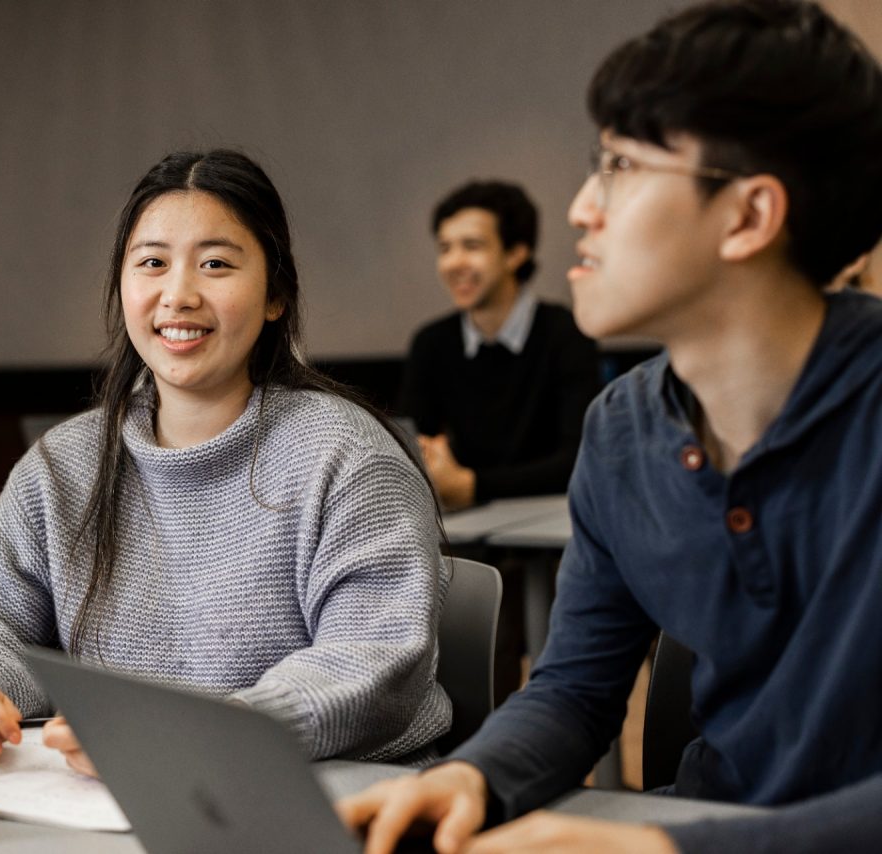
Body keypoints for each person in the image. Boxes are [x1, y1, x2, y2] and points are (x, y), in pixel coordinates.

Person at [340, 1, 882, 852]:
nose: (583, 207)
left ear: (748, 216)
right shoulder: (623, 430)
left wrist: (671, 851)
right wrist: (470, 777)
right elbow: (576, 690)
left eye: (622, 167)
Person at [0, 149, 450, 774]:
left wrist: (186, 738)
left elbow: (370, 663)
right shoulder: (66, 463)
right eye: (152, 264)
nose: (179, 294)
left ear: (276, 295)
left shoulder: (348, 458)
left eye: (216, 264)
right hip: (117, 809)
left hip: (326, 802)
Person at [400, 180, 599, 511]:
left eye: (472, 246)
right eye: (445, 248)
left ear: (516, 253)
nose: (453, 263)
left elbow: (579, 459)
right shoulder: (431, 343)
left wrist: (472, 485)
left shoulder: (566, 332)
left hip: (552, 522)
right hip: (464, 526)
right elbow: (410, 449)